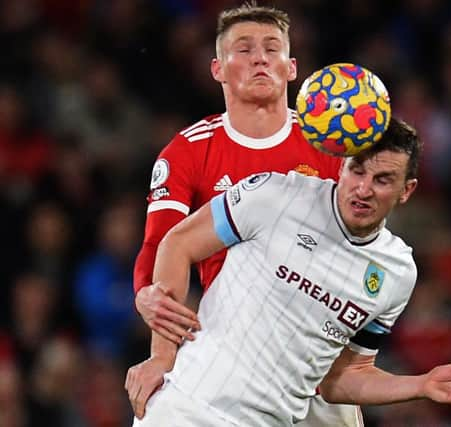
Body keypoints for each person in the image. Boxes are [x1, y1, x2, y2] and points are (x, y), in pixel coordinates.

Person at [125, 118, 451, 426]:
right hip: (187, 410)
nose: (363, 189)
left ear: (407, 191)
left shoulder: (396, 273)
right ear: (341, 165)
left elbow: (343, 380)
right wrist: (161, 355)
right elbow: (177, 243)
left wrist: (421, 385)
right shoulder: (275, 194)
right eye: (357, 170)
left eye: (382, 179)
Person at [130, 2, 358, 425]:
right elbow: (161, 245)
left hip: (316, 352)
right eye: (244, 48)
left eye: (272, 49)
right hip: (229, 349)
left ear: (291, 68)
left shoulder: (330, 148)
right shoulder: (188, 151)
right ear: (217, 68)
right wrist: (160, 352)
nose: (259, 58)